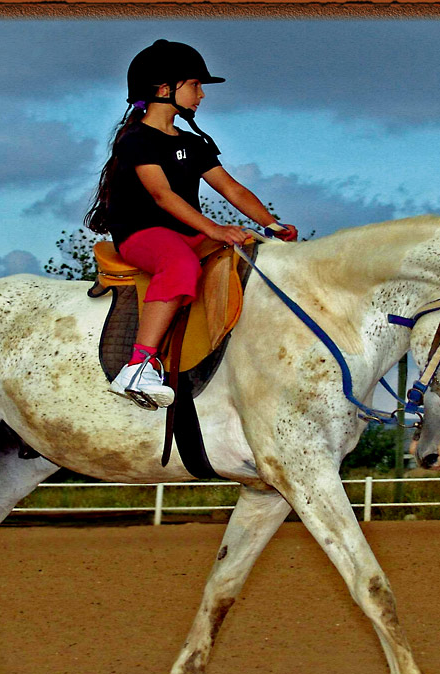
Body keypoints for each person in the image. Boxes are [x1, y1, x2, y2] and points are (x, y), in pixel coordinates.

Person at [85, 39, 298, 410]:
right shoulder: (137, 140)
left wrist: (271, 223)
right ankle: (137, 366)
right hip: (142, 233)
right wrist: (215, 229)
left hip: (184, 233)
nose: (201, 94)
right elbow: (162, 196)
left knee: (248, 255)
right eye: (195, 85)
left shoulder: (193, 142)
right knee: (179, 264)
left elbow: (231, 187)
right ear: (164, 89)